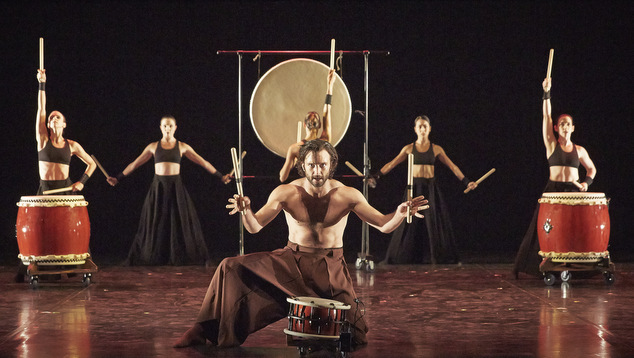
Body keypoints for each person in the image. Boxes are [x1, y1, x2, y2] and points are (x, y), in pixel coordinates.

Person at [174, 139, 428, 349]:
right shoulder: (286, 192)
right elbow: (254, 227)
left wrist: (399, 213)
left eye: (322, 165)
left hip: (330, 267)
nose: (317, 171)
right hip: (290, 263)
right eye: (312, 165)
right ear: (302, 166)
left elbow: (383, 224)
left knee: (355, 335)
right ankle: (201, 328)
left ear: (331, 166)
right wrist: (247, 211)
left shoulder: (348, 195)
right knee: (229, 267)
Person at [107, 115, 232, 266]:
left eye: (170, 126)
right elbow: (135, 164)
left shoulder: (182, 146)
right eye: (165, 126)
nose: (167, 128)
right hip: (158, 187)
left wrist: (220, 176)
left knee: (180, 221)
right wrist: (118, 178)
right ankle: (154, 256)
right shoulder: (153, 146)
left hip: (175, 187)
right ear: (160, 127)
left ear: (175, 128)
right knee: (154, 221)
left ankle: (182, 255)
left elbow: (203, 162)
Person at [513, 77, 596, 277]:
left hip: (574, 191)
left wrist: (586, 183)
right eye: (561, 124)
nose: (565, 126)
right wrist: (546, 93)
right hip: (554, 190)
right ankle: (541, 265)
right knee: (546, 228)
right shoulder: (551, 145)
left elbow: (592, 169)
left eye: (568, 124)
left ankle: (576, 268)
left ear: (573, 128)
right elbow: (546, 116)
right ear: (557, 128)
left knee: (574, 229)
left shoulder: (580, 150)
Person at [371, 115, 476, 265]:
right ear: (415, 129)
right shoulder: (408, 148)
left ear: (430, 128)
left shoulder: (436, 149)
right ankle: (400, 257)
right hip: (413, 189)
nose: (422, 129)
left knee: (435, 223)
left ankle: (442, 258)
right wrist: (376, 176)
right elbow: (391, 164)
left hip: (430, 189)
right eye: (419, 126)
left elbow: (453, 166)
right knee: (408, 221)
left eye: (425, 126)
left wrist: (467, 182)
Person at [36, 69, 96, 194]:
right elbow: (41, 109)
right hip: (45, 190)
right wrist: (42, 83)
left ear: (64, 124)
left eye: (58, 117)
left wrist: (82, 182)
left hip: (65, 190)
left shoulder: (72, 145)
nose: (54, 119)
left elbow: (92, 164)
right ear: (47, 124)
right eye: (51, 117)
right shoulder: (43, 140)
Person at [279, 69, 335, 182]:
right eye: (309, 116)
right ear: (305, 124)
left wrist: (330, 86)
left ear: (320, 125)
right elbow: (282, 178)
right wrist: (291, 162)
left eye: (315, 116)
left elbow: (327, 111)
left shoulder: (325, 140)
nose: (313, 115)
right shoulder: (294, 148)